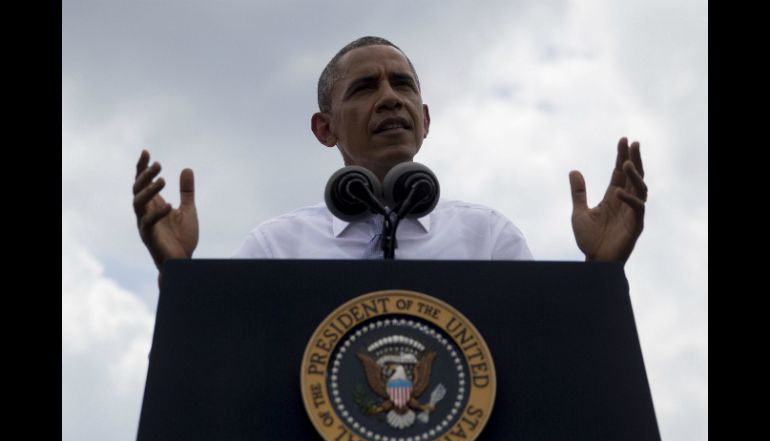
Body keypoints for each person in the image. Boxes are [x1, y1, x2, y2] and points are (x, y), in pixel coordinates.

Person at [132, 37, 647, 275]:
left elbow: (545, 355)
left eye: (403, 85)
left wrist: (600, 272)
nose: (389, 98)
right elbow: (224, 361)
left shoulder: (487, 237)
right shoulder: (276, 247)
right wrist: (177, 276)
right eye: (364, 88)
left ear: (425, 119)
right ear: (325, 129)